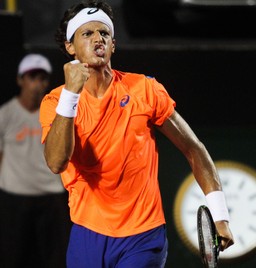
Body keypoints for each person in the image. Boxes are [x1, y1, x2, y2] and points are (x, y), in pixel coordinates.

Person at [39, 1, 234, 267]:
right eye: (87, 34)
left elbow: (193, 148)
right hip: (87, 232)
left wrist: (220, 215)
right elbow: (55, 162)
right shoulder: (56, 102)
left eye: (104, 33)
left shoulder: (145, 90)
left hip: (143, 235)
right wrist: (71, 95)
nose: (98, 39)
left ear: (113, 45)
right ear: (70, 47)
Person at [0, 53, 71, 268]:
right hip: (14, 199)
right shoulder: (5, 114)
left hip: (52, 199)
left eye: (42, 78)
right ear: (20, 80)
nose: (37, 84)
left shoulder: (55, 115)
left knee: (56, 259)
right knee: (12, 257)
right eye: (32, 77)